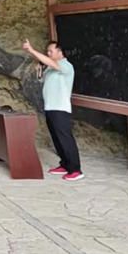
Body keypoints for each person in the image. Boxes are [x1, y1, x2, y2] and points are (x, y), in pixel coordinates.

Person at [23, 39, 83, 181]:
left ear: (60, 52)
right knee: (56, 138)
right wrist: (39, 71)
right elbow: (43, 80)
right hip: (50, 107)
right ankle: (65, 164)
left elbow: (51, 63)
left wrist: (31, 50)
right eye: (47, 51)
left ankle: (75, 169)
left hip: (60, 108)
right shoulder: (50, 68)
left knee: (65, 138)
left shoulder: (66, 66)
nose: (48, 53)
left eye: (51, 51)